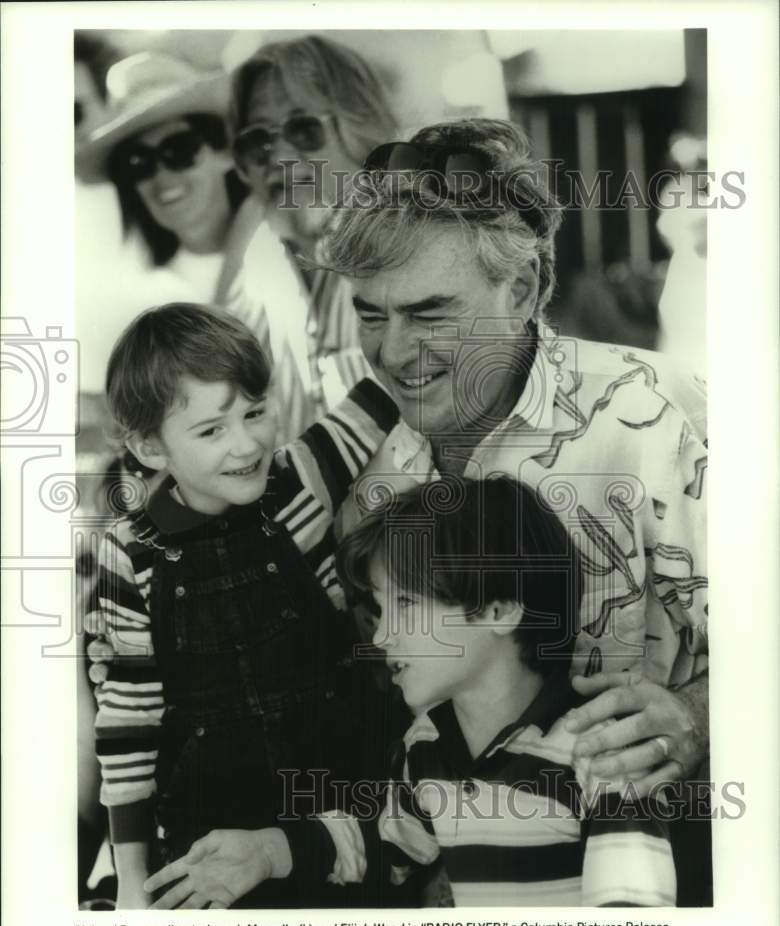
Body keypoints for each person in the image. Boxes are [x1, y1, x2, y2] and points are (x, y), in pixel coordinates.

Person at [312, 118, 710, 801]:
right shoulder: (350, 457)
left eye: (431, 314)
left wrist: (700, 717)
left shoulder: (656, 412)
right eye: (372, 316)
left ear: (521, 290)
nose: (396, 352)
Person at [144, 477, 677, 908]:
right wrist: (266, 850)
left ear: (499, 609)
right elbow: (384, 845)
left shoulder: (603, 754)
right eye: (379, 609)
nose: (380, 636)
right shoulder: (426, 746)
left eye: (405, 605)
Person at [86, 302, 398, 909]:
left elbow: (384, 391)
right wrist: (130, 882)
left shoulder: (301, 478)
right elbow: (127, 727)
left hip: (340, 810)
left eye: (255, 412)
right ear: (150, 448)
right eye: (211, 430)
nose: (247, 443)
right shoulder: (128, 555)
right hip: (210, 847)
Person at [221, 35, 399, 443]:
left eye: (302, 129)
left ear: (363, 127)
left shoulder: (421, 252)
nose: (279, 158)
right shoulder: (255, 269)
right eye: (256, 140)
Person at [76, 51, 263, 308]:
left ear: (225, 154)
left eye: (179, 151)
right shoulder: (144, 300)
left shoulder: (290, 247)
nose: (162, 175)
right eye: (138, 162)